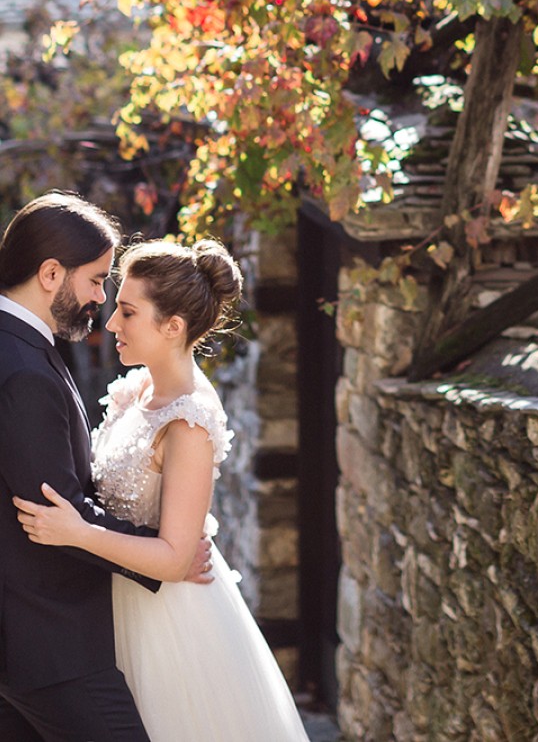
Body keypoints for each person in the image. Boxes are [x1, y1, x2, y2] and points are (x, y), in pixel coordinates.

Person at [14, 234, 310, 742]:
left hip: (170, 620)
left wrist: (74, 531)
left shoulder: (190, 421)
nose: (109, 324)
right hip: (114, 602)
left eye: (127, 312)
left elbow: (175, 559)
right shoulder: (138, 389)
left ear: (172, 327)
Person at [0, 190, 211, 742]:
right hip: (51, 644)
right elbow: (53, 514)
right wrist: (166, 555)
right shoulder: (22, 367)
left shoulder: (24, 347)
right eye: (95, 281)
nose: (101, 299)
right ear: (51, 273)